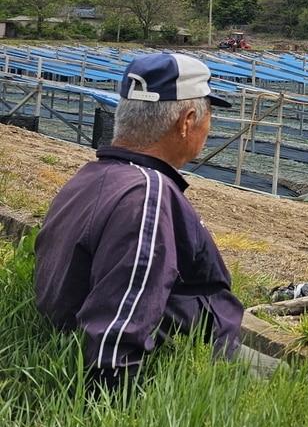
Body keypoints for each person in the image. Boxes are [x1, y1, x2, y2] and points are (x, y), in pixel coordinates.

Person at [34, 52, 243, 391]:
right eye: (209, 116)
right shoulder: (147, 195)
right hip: (177, 368)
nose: (210, 127)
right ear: (187, 121)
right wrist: (111, 405)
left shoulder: (94, 176)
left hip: (80, 342)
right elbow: (119, 321)